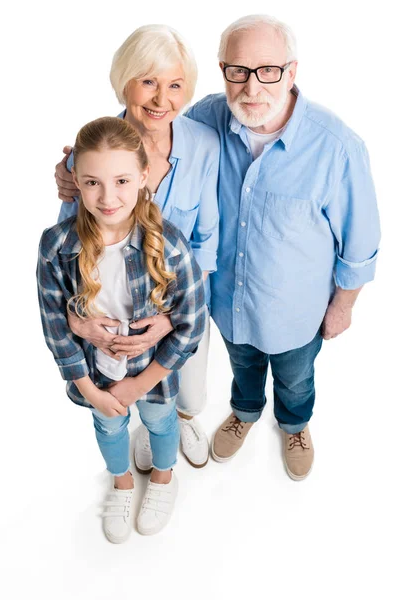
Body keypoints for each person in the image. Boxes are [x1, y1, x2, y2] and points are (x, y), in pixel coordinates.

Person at [186, 14, 381, 480]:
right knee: (243, 368)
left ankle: (294, 423)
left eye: (268, 71)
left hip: (298, 315)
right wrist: (79, 168)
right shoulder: (204, 119)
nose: (252, 87)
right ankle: (246, 410)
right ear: (223, 70)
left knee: (296, 379)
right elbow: (147, 140)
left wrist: (344, 306)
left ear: (291, 73)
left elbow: (360, 239)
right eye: (238, 70)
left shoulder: (337, 147)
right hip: (228, 303)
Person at [54, 25, 219, 470]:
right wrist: (78, 319)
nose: (161, 98)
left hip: (181, 304)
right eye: (148, 81)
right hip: (114, 308)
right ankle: (151, 421)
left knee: (192, 389)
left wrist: (172, 318)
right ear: (123, 81)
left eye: (175, 85)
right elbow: (68, 245)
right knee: (119, 387)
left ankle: (179, 417)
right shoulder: (95, 146)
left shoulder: (204, 145)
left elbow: (205, 241)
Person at [37, 117, 206, 541]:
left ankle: (165, 478)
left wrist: (141, 383)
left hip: (154, 372)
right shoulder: (56, 246)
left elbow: (192, 321)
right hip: (96, 373)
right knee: (108, 427)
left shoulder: (169, 243)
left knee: (161, 422)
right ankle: (122, 482)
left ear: (143, 177)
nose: (108, 197)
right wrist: (90, 390)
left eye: (122, 181)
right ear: (74, 179)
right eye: (92, 182)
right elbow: (55, 325)